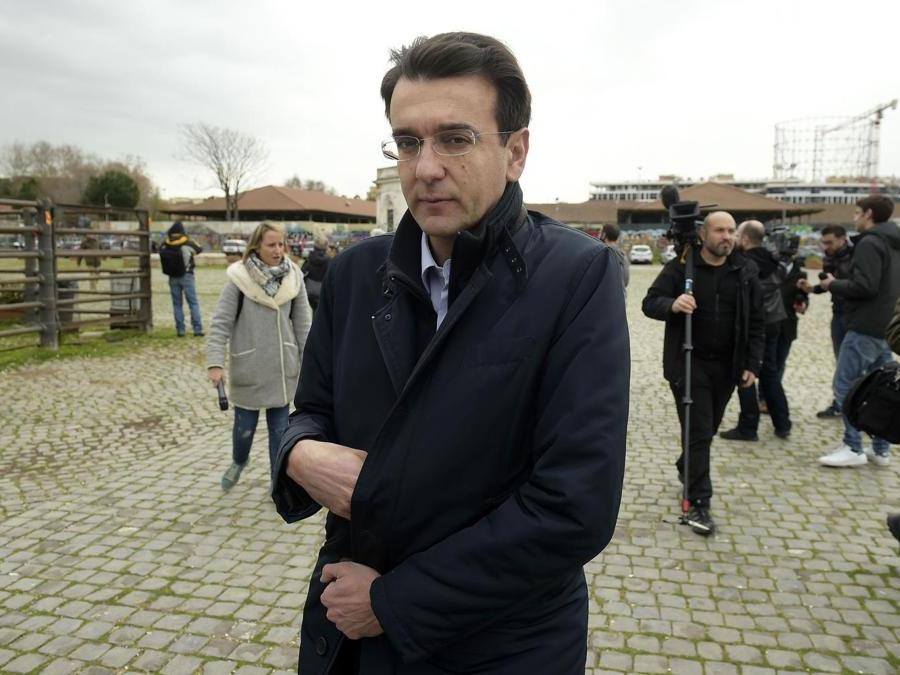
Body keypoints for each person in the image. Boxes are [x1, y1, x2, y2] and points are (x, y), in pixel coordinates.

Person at [271, 32, 629, 673]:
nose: (425, 166)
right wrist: (295, 452)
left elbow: (573, 504)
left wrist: (394, 602)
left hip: (499, 643)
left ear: (516, 151)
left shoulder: (577, 277)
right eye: (407, 142)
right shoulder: (355, 274)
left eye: (454, 139)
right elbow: (312, 410)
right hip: (349, 635)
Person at [642, 211, 765, 536]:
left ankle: (687, 467)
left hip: (728, 366)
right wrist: (673, 304)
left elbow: (757, 321)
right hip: (689, 363)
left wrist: (753, 363)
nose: (727, 236)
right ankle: (700, 503)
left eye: (731, 231)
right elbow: (649, 302)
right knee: (698, 433)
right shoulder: (683, 267)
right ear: (704, 235)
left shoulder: (745, 271)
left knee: (707, 430)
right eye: (720, 231)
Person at [207, 222, 312, 490]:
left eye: (281, 244)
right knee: (244, 430)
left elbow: (304, 325)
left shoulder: (294, 278)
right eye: (271, 245)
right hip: (250, 367)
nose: (278, 250)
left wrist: (312, 363)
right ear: (257, 246)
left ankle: (278, 480)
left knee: (280, 431)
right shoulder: (239, 280)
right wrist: (215, 363)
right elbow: (220, 323)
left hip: (281, 368)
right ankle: (239, 461)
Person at [817, 196, 900, 467]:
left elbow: (865, 286)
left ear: (869, 214)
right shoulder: (894, 242)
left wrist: (833, 284)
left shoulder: (870, 243)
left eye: (856, 213)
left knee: (845, 385)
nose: (854, 218)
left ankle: (853, 447)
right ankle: (881, 448)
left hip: (865, 326)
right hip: (887, 326)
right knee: (884, 389)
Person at [719, 220, 792, 441]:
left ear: (746, 239)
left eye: (737, 234)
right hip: (775, 321)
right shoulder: (774, 259)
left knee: (745, 371)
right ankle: (783, 422)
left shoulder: (744, 262)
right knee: (770, 374)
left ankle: (748, 426)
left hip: (753, 323)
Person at [800, 225, 853, 417]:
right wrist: (813, 289)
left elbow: (856, 285)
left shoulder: (857, 254)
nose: (825, 247)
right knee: (842, 361)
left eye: (829, 242)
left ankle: (850, 404)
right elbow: (828, 284)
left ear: (842, 239)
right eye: (823, 243)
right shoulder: (830, 257)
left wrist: (833, 283)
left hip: (853, 315)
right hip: (838, 312)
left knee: (851, 362)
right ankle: (842, 402)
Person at [159, 221, 204, 337]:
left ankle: (180, 330)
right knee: (193, 303)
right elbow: (199, 249)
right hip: (187, 275)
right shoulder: (187, 243)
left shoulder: (166, 244)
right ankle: (197, 329)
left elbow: (159, 249)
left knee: (177, 304)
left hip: (172, 277)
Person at [301, 234, 330, 312]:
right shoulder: (329, 261)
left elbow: (303, 271)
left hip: (309, 288)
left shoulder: (309, 257)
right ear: (326, 246)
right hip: (322, 290)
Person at [600, 222, 629, 287]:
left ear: (604, 235)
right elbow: (626, 280)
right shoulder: (623, 255)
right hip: (619, 295)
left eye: (600, 232)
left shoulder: (602, 253)